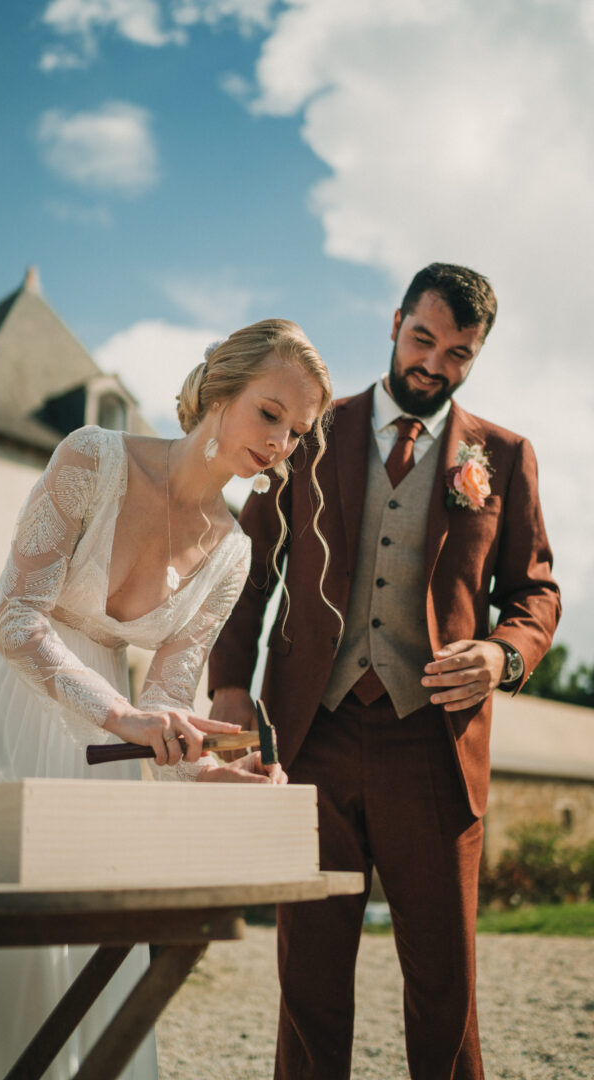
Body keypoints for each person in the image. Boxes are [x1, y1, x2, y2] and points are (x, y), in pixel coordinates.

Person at [0, 318, 334, 1080]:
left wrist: (222, 777)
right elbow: (17, 616)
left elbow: (165, 703)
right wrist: (123, 715)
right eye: (271, 413)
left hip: (92, 747)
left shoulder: (234, 552)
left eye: (299, 431)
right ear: (221, 390)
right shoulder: (93, 454)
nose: (282, 441)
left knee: (75, 948)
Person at [209, 265, 561, 1080]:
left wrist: (502, 653)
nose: (434, 365)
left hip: (433, 747)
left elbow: (534, 590)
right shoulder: (309, 430)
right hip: (312, 735)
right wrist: (231, 682)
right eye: (423, 340)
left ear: (477, 354)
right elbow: (247, 567)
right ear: (396, 321)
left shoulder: (503, 457)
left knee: (445, 986)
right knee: (311, 981)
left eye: (459, 354)